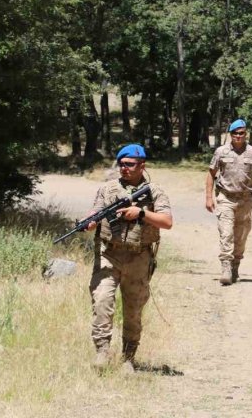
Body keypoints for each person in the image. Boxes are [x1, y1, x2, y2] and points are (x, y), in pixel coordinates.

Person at [88, 143, 173, 373]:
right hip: (109, 254)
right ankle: (102, 352)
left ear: (142, 165)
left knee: (133, 310)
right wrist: (90, 223)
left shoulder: (155, 191)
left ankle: (128, 358)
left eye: (130, 165)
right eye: (121, 164)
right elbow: (94, 214)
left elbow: (167, 222)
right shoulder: (107, 189)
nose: (124, 169)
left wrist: (141, 213)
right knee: (102, 301)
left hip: (138, 257)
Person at [205, 119, 252, 286]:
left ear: (245, 134)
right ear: (230, 135)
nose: (238, 136)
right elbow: (211, 173)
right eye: (235, 133)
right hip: (226, 198)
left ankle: (235, 266)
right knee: (226, 233)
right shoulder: (221, 151)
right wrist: (209, 197)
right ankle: (225, 267)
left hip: (246, 200)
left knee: (241, 236)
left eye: (241, 133)